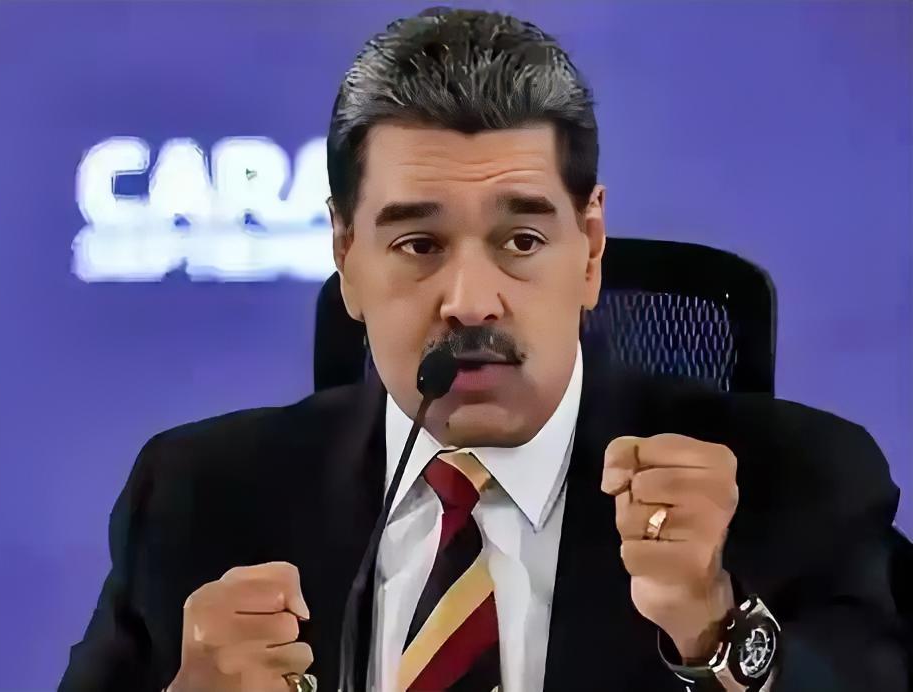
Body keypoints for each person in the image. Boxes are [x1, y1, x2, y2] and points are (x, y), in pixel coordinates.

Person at [59, 8, 908, 692]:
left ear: (590, 249)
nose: (470, 300)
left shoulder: (795, 485)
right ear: (346, 257)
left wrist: (716, 626)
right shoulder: (197, 502)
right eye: (419, 244)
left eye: (522, 241)